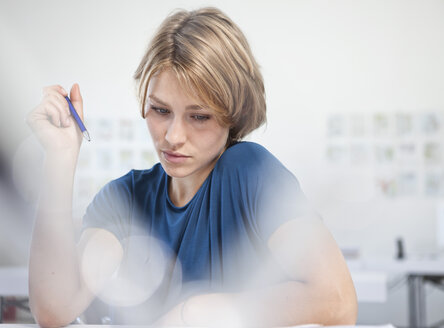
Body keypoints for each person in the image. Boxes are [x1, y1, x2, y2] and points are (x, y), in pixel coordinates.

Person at [27, 7, 357, 327]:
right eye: (160, 110)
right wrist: (60, 158)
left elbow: (338, 301)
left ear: (235, 113)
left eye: (199, 116)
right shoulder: (124, 197)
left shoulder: (250, 172)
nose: (173, 137)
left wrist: (196, 313)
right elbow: (54, 309)